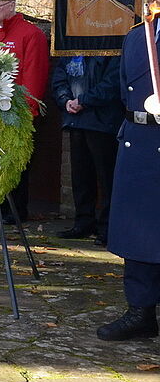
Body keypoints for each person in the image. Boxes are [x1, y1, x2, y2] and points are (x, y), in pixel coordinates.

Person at [97, 0, 160, 341]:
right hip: (138, 141)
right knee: (137, 233)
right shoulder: (138, 36)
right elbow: (125, 89)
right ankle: (140, 311)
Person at [0, 0, 50, 223]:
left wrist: (28, 109)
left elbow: (34, 73)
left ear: (12, 5)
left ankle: (15, 209)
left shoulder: (30, 34)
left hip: (17, 109)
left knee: (15, 159)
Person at [51, 54, 122, 246]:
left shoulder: (112, 45)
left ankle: (107, 227)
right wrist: (65, 100)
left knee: (107, 178)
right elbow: (59, 76)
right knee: (80, 176)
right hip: (77, 120)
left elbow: (113, 83)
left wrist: (84, 100)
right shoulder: (72, 47)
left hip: (103, 121)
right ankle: (83, 222)